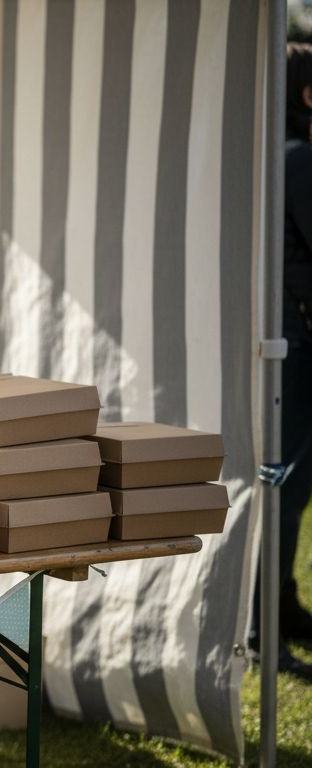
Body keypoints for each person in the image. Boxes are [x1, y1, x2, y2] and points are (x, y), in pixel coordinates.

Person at [279, 42, 312, 677]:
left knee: (293, 487)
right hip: (297, 346)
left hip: (294, 343)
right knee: (285, 487)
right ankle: (264, 624)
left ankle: (282, 605)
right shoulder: (299, 159)